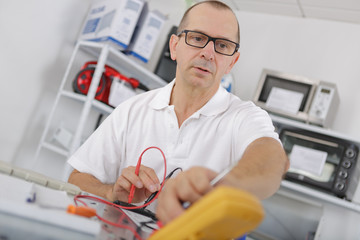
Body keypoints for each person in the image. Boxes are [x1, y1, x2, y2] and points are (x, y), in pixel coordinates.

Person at [68, 0, 289, 226]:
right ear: (174, 46)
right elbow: (77, 179)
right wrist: (111, 191)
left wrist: (219, 188)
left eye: (222, 46)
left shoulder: (245, 116)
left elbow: (273, 160)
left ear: (232, 62)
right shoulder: (131, 110)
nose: (208, 53)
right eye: (197, 38)